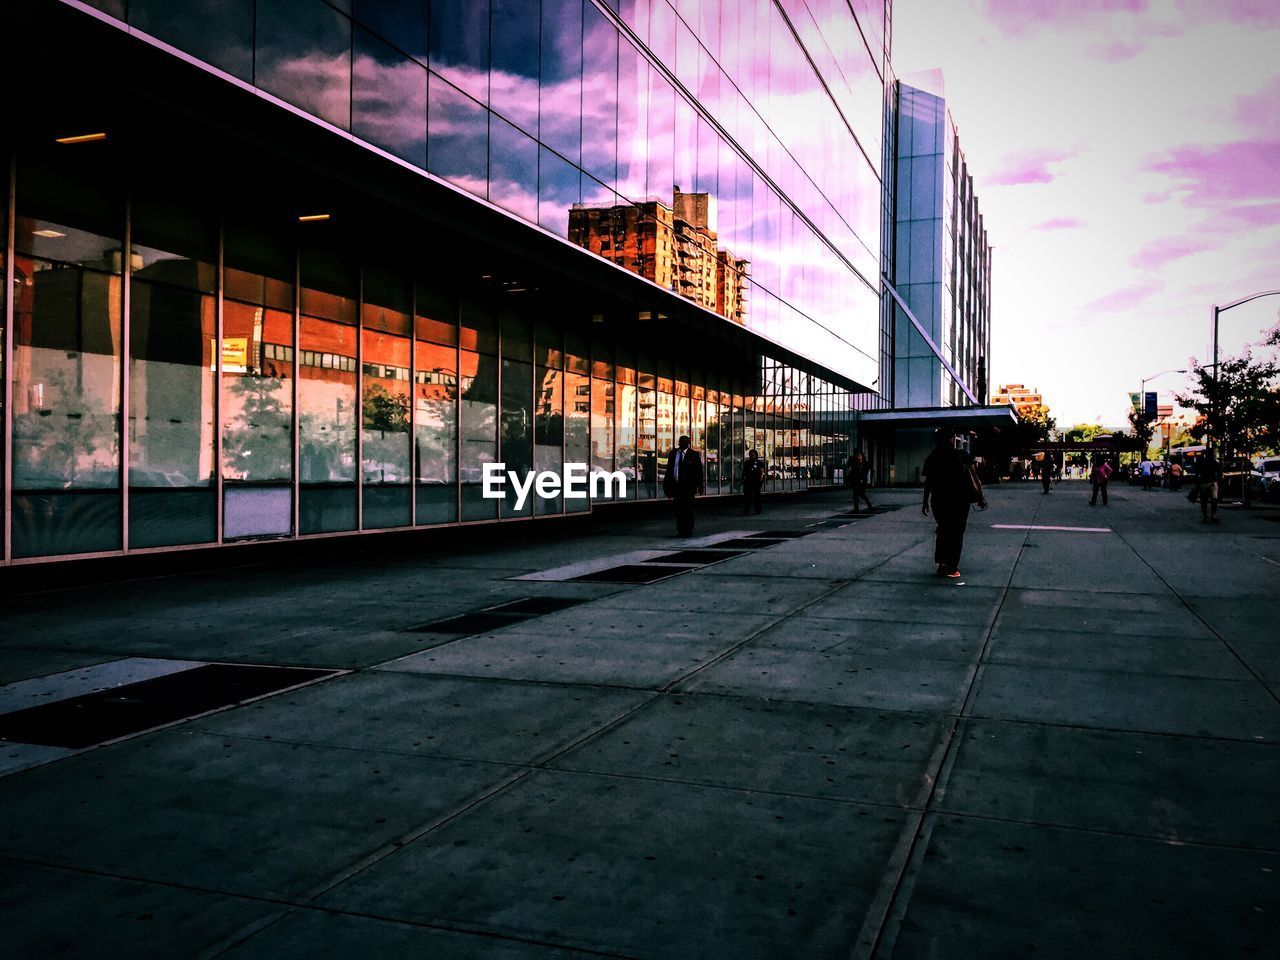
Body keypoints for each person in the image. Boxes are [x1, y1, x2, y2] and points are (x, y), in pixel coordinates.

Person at [922, 428, 986, 578]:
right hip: (959, 499)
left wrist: (925, 501)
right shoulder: (962, 455)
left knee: (943, 529)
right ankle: (952, 567)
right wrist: (980, 497)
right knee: (957, 532)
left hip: (939, 500)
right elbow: (974, 476)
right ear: (951, 439)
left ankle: (942, 564)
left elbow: (928, 482)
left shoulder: (932, 457)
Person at [663, 434, 705, 537]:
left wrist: (700, 485)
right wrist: (667, 485)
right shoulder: (673, 453)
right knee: (678, 509)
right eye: (680, 442)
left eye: (684, 442)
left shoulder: (694, 455)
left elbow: (698, 471)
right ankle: (681, 530)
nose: (681, 444)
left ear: (688, 443)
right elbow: (669, 470)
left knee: (688, 509)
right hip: (677, 486)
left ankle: (688, 529)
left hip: (688, 487)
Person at [1197, 450, 1221, 523]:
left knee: (1204, 500)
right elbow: (1219, 472)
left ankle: (1205, 516)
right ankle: (1213, 515)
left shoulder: (1201, 462)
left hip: (1203, 483)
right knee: (1214, 500)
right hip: (1212, 483)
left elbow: (1197, 472)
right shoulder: (1215, 463)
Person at [741, 448, 765, 515]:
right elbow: (744, 472)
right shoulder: (747, 463)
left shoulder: (759, 463)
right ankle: (746, 510)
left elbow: (762, 472)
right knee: (747, 497)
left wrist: (761, 481)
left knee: (756, 497)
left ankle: (757, 510)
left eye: (753, 455)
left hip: (756, 482)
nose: (751, 456)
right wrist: (743, 479)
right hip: (748, 482)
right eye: (750, 455)